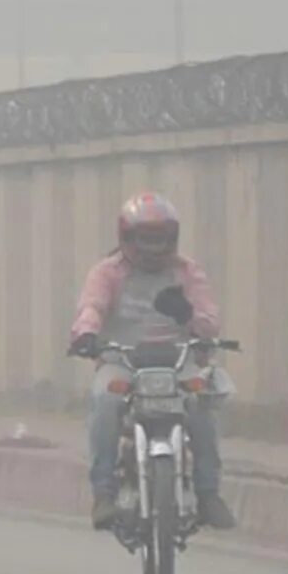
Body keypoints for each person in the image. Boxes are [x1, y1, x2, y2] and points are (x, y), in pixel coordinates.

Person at [68, 192, 234, 531]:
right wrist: (86, 335)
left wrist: (189, 315)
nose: (153, 249)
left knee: (202, 404)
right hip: (122, 361)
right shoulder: (107, 272)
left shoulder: (187, 272)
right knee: (105, 401)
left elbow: (209, 321)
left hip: (177, 361)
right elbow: (92, 308)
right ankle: (103, 493)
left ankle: (208, 492)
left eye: (160, 241)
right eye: (146, 240)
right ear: (127, 238)